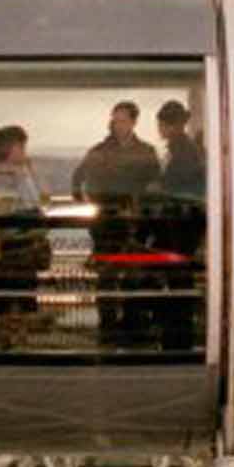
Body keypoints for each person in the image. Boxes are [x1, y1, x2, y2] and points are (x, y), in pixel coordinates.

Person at [73, 101, 162, 346]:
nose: (118, 124)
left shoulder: (145, 152)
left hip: (134, 222)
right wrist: (91, 205)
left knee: (134, 274)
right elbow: (77, 179)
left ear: (133, 122)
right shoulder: (100, 150)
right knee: (106, 276)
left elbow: (156, 186)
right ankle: (109, 327)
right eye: (115, 119)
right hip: (105, 223)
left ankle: (132, 325)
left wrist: (142, 207)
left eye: (123, 119)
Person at [0, 125, 45, 343]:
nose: (23, 152)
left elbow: (35, 200)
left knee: (19, 289)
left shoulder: (24, 170)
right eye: (21, 147)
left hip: (21, 241)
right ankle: (9, 332)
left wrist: (24, 174)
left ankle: (17, 333)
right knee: (7, 289)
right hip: (3, 241)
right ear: (10, 148)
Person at [150, 99, 206, 351]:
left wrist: (158, 188)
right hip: (183, 225)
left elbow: (179, 187)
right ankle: (177, 333)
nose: (159, 128)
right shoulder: (184, 148)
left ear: (171, 125)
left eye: (162, 123)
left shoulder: (183, 152)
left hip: (179, 226)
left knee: (178, 280)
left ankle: (178, 337)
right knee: (178, 279)